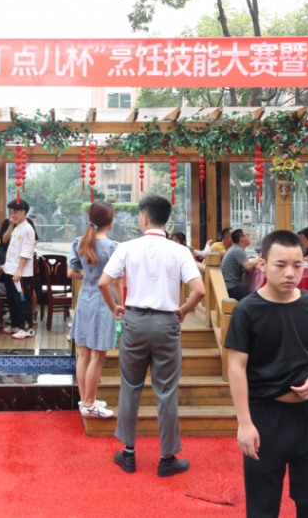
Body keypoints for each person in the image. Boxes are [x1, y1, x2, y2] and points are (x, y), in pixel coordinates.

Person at [225, 229, 308, 518]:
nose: (290, 273)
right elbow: (236, 367)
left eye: (297, 265)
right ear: (262, 264)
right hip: (265, 416)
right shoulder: (247, 310)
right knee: (263, 505)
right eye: (281, 264)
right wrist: (245, 424)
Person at [99, 194, 205, 477]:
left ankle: (128, 454)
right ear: (165, 219)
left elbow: (104, 282)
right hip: (166, 324)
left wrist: (115, 308)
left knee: (130, 386)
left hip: (133, 322)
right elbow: (200, 290)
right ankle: (167, 459)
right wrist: (183, 311)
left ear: (144, 219)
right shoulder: (179, 250)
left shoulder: (127, 247)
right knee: (166, 392)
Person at [69, 201, 122, 419]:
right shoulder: (113, 247)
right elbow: (116, 281)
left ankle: (85, 400)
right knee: (97, 356)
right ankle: (90, 404)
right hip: (103, 303)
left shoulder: (79, 242)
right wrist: (119, 306)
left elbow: (71, 273)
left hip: (84, 300)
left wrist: (90, 277)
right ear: (109, 221)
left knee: (84, 353)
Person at [3, 200, 36, 340]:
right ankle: (16, 325)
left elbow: (26, 252)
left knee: (22, 300)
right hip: (10, 270)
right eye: (11, 212)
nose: (13, 215)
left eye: (15, 212)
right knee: (12, 300)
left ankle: (27, 328)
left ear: (23, 212)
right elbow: (5, 242)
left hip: (19, 272)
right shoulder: (16, 227)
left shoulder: (28, 228)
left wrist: (19, 270)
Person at [221, 228, 257, 301]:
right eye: (247, 235)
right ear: (242, 238)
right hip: (230, 288)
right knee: (255, 298)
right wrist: (260, 259)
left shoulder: (235, 248)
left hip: (228, 287)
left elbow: (244, 268)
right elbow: (247, 266)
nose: (249, 237)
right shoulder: (238, 250)